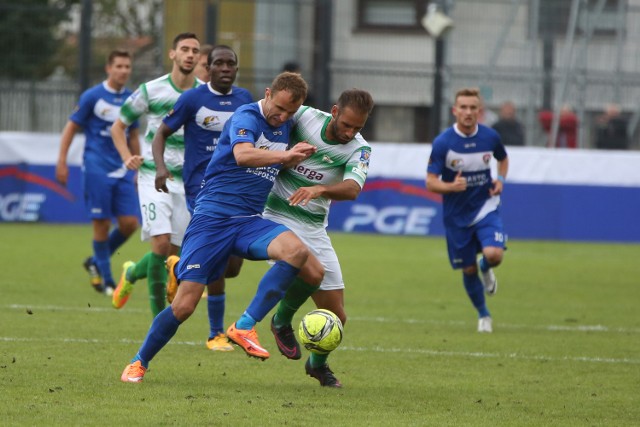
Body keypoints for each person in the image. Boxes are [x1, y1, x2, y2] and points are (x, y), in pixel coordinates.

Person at [120, 72, 324, 383]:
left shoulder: (285, 124)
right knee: (185, 305)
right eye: (279, 108)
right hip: (212, 219)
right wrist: (286, 155)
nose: (282, 116)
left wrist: (295, 158)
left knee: (296, 253)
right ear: (268, 94)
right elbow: (242, 156)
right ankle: (139, 361)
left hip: (248, 221)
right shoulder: (247, 115)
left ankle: (244, 325)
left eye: (290, 113)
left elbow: (278, 157)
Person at [265, 89, 374, 388]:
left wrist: (321, 189)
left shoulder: (359, 149)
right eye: (347, 124)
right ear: (335, 111)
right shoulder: (303, 118)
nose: (350, 132)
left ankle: (317, 365)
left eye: (358, 128)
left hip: (313, 226)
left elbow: (352, 188)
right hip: (273, 214)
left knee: (337, 315)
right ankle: (281, 320)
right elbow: (270, 123)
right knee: (310, 270)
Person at [147, 45, 252, 352]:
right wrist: (161, 168)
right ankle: (216, 333)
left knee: (232, 267)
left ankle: (178, 267)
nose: (224, 68)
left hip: (237, 190)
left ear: (236, 68)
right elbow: (160, 134)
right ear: (207, 68)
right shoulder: (193, 99)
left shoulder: (245, 100)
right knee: (217, 259)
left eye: (230, 63)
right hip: (202, 189)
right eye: (218, 63)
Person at [110, 33, 201, 317]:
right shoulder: (151, 90)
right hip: (153, 175)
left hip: (186, 182)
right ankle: (158, 320)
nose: (189, 54)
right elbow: (118, 126)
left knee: (171, 255)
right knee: (161, 243)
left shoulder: (203, 94)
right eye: (184, 49)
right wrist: (128, 157)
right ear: (172, 54)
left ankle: (132, 272)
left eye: (194, 51)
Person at [55, 49, 140, 295]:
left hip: (122, 167)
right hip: (96, 167)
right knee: (101, 224)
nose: (124, 71)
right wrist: (61, 161)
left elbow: (132, 134)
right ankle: (109, 281)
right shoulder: (92, 96)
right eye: (119, 66)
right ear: (108, 68)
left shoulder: (132, 99)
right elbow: (71, 128)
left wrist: (137, 167)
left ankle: (94, 262)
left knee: (129, 224)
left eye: (127, 66)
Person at [426, 87, 509, 333]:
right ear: (455, 111)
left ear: (479, 111)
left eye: (473, 107)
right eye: (463, 107)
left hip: (486, 206)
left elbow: (503, 159)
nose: (468, 112)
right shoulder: (444, 143)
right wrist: (451, 186)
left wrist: (500, 181)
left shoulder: (490, 137)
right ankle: (484, 314)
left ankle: (487, 268)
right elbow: (431, 181)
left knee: (494, 255)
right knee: (468, 268)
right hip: (456, 216)